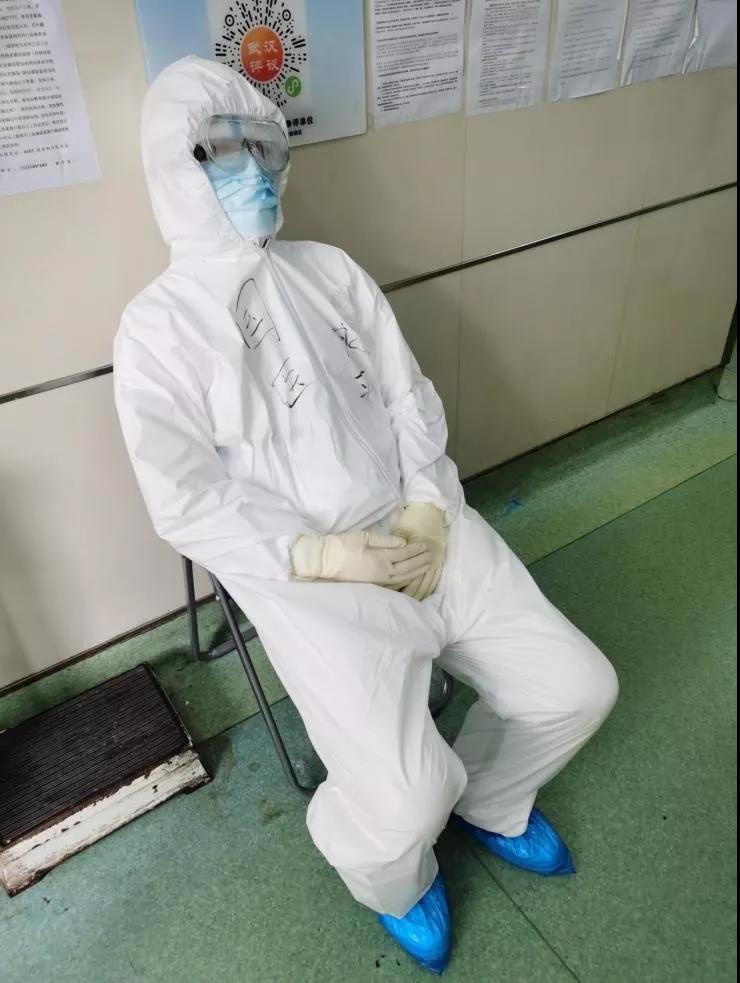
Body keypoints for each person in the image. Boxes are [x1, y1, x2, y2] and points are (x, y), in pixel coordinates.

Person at [115, 56, 618, 974]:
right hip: (309, 580)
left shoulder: (330, 270)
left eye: (261, 147)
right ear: (171, 167)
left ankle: (492, 798)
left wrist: (427, 503)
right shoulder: (156, 330)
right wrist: (319, 555)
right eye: (219, 152)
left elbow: (406, 394)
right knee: (406, 800)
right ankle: (389, 873)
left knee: (578, 686)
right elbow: (183, 497)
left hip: (421, 525)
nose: (251, 171)